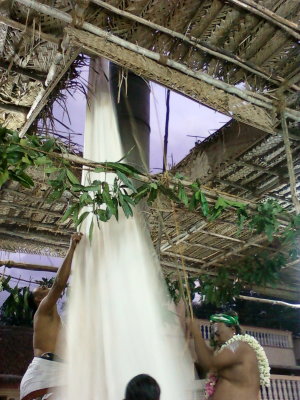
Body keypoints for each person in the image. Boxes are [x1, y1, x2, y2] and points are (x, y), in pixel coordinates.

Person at [20, 232, 83, 400]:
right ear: (38, 299)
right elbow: (59, 284)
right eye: (41, 289)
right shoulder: (42, 309)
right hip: (43, 378)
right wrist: (72, 248)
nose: (44, 287)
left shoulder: (57, 320)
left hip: (54, 375)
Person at [190, 311, 270, 400]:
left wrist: (196, 332)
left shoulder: (238, 345)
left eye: (218, 333)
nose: (216, 339)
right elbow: (208, 358)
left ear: (232, 329)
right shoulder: (226, 352)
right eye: (213, 336)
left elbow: (208, 363)